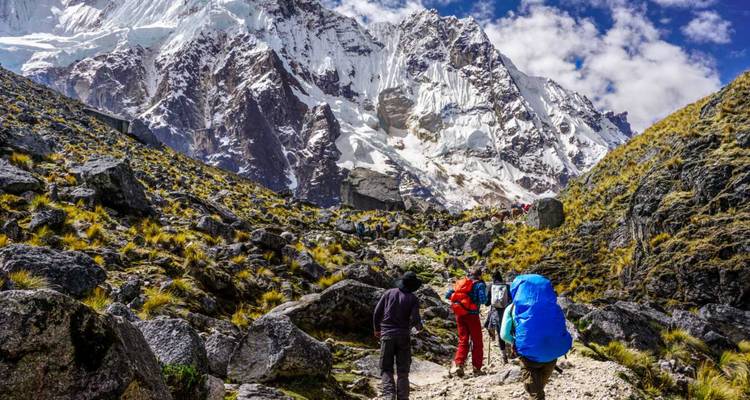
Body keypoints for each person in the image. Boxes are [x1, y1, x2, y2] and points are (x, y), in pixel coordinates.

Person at [500, 274, 572, 400]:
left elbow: (504, 334)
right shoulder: (553, 305)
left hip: (529, 357)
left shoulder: (512, 308)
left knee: (535, 392)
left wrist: (516, 342)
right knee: (539, 388)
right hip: (552, 354)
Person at [373, 271, 424, 400]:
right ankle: (403, 397)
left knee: (386, 368)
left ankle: (388, 396)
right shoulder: (413, 298)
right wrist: (418, 327)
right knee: (403, 371)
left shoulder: (388, 293)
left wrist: (377, 329)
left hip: (387, 335)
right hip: (403, 336)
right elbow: (415, 319)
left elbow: (377, 313)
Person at [446, 268, 487, 377]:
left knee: (463, 340)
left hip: (460, 315)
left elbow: (447, 294)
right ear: (480, 275)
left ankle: (459, 364)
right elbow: (483, 300)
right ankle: (476, 368)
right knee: (477, 341)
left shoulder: (462, 283)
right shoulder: (479, 285)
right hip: (472, 315)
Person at [484, 271, 511, 364]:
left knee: (500, 334)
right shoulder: (507, 286)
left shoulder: (491, 286)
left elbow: (487, 303)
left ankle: (504, 356)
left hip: (496, 314)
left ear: (493, 278)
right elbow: (511, 300)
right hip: (507, 312)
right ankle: (512, 351)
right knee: (510, 330)